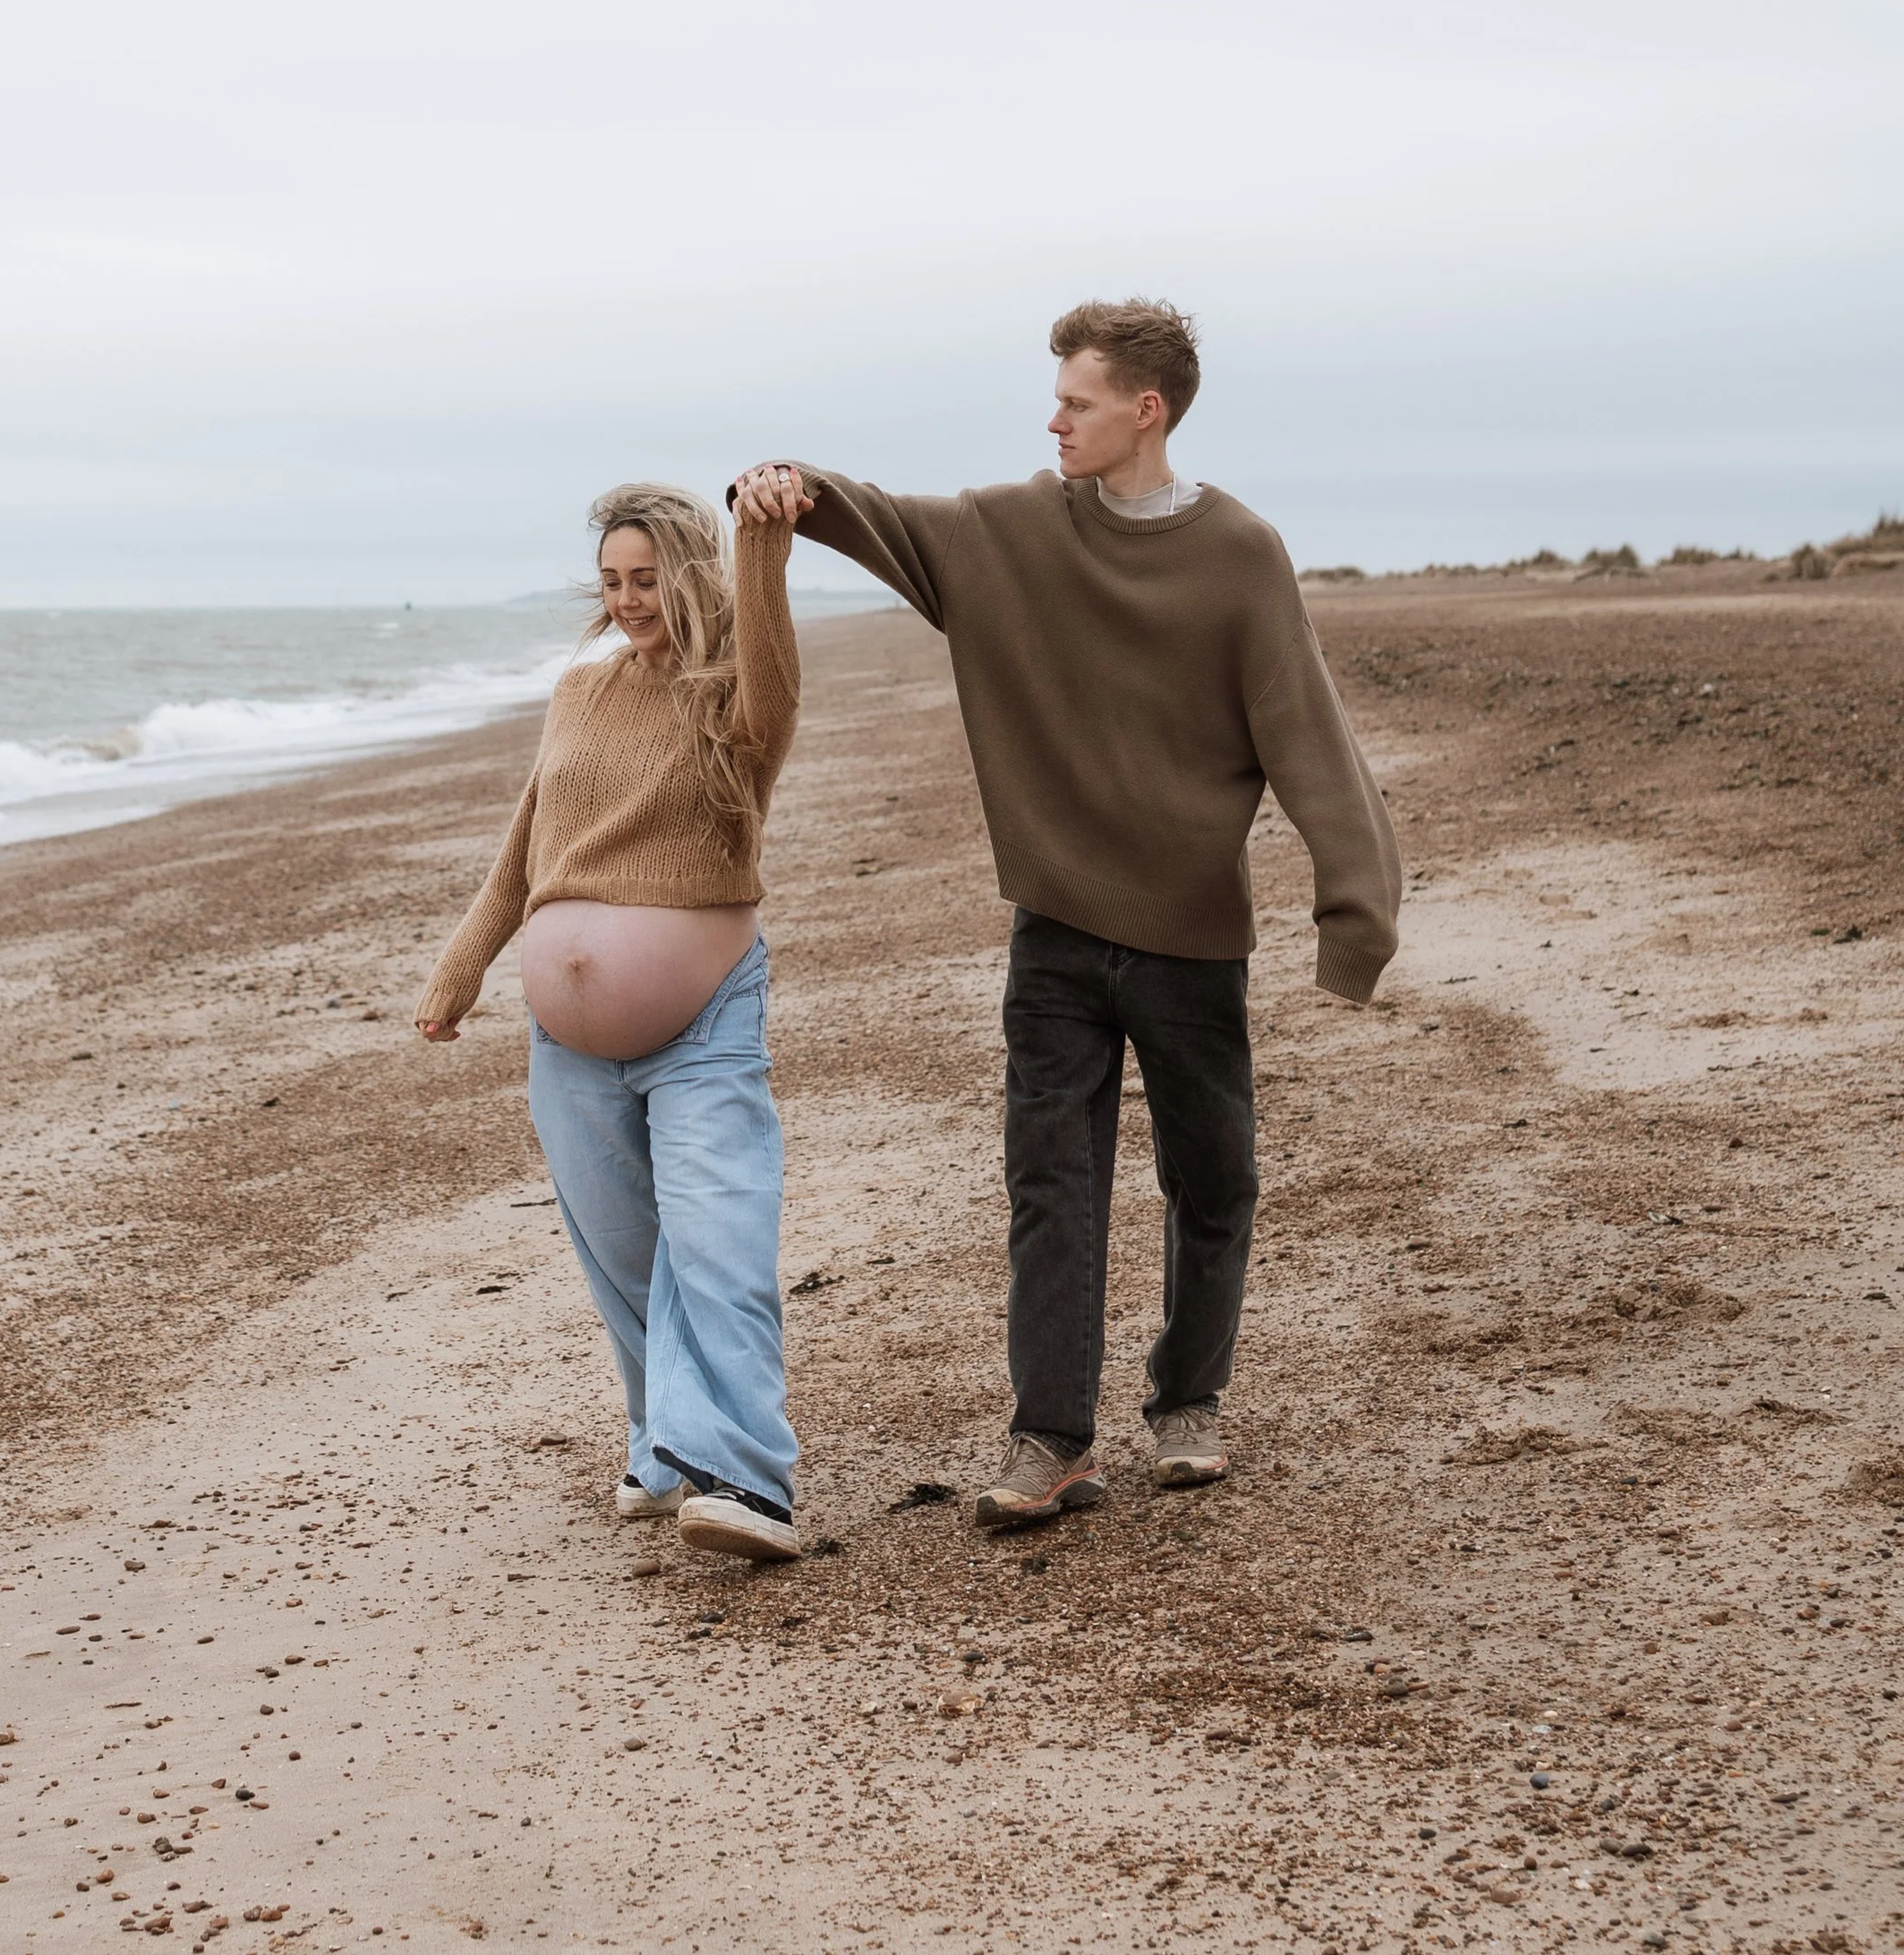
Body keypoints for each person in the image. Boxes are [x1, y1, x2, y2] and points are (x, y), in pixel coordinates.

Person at [732, 297, 1400, 1531]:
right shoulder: (1014, 532)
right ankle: (1053, 1439)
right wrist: (786, 488)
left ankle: (1187, 1402)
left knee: (1215, 1179)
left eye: (1078, 401)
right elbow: (889, 520)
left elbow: (1308, 734)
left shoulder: (1239, 552)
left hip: (1193, 935)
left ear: (1146, 411)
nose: (1056, 420)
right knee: (1051, 1181)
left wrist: (1353, 916)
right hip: (1054, 933)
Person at [415, 478, 810, 1563]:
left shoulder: (735, 695)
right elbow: (526, 844)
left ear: (689, 576)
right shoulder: (578, 693)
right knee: (624, 1254)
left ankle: (746, 1474)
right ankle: (662, 1441)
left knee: (717, 1234)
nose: (630, 600)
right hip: (569, 1042)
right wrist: (463, 967)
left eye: (648, 579)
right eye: (612, 582)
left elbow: (770, 683)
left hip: (702, 1017)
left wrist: (761, 546)